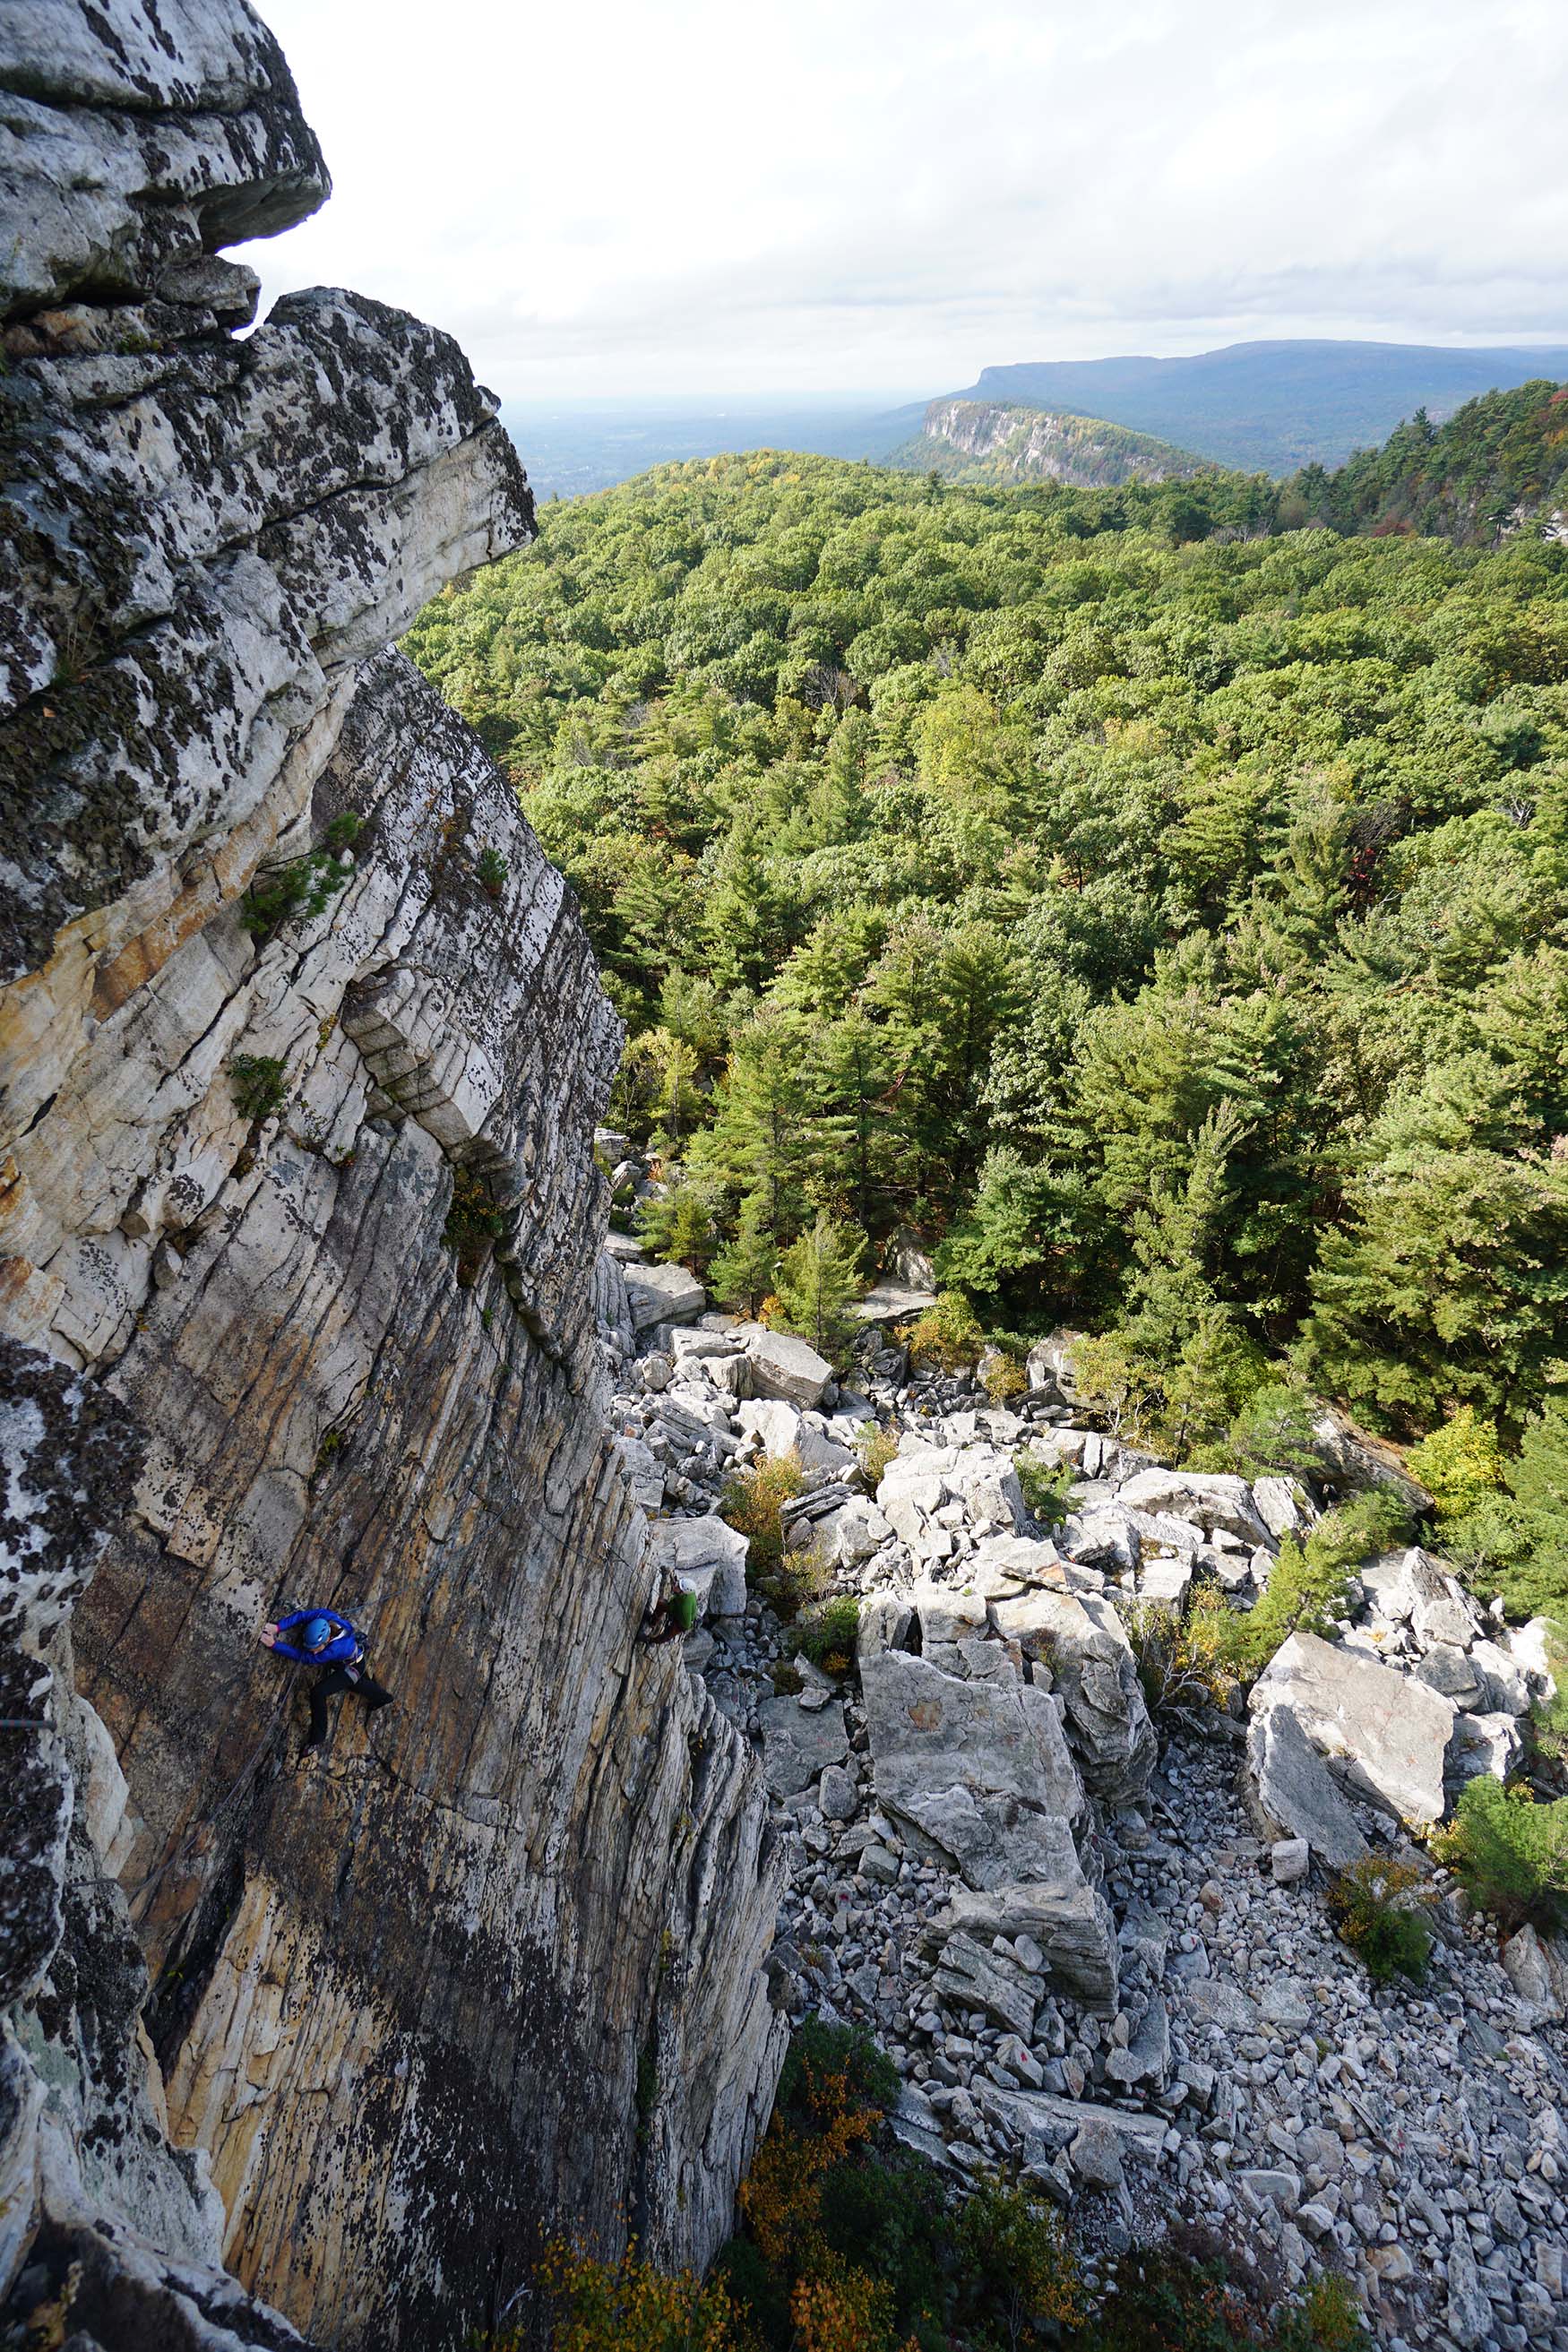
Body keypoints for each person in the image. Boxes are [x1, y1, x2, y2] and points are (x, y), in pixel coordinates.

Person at [260, 1607, 394, 1753]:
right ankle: (384, 1698)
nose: (315, 1651)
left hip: (352, 1667)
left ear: (327, 1640)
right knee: (356, 1684)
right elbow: (302, 1616)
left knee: (319, 1693)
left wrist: (275, 1645)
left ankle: (317, 1739)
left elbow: (305, 1658)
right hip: (349, 1659)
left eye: (317, 1648)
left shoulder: (333, 1650)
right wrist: (278, 1627)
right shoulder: (323, 1616)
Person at [639, 1575, 700, 1646]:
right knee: (661, 1604)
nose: (675, 1586)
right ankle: (652, 1621)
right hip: (676, 1607)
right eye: (678, 1584)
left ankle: (649, 1640)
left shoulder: (684, 1608)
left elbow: (686, 1624)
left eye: (678, 1587)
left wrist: (676, 1623)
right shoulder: (688, 1592)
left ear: (682, 1592)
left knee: (667, 1635)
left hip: (682, 1623)